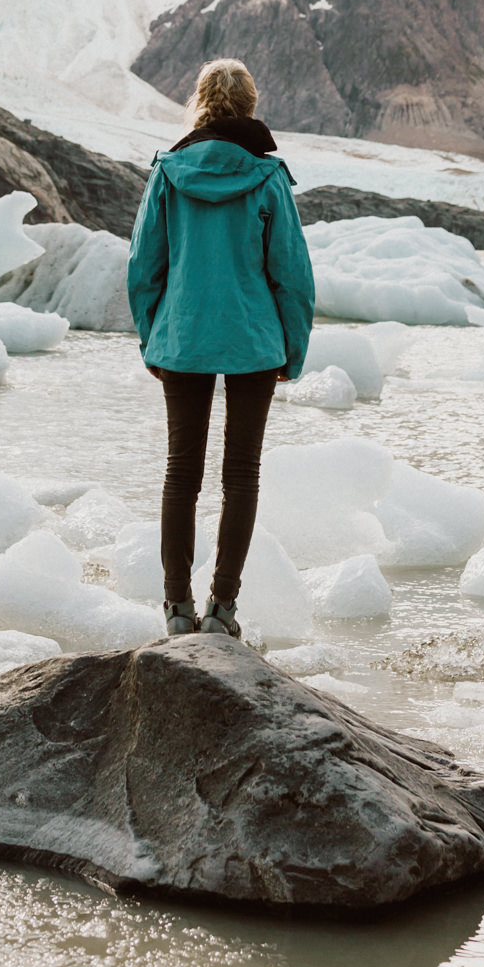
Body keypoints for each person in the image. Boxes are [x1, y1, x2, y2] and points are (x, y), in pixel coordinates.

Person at [127, 57, 314, 640]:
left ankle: (176, 609)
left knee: (180, 473)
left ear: (200, 103)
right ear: (251, 104)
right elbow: (291, 274)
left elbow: (142, 267)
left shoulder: (168, 171)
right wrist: (293, 351)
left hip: (181, 340)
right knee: (242, 474)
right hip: (254, 344)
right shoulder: (267, 177)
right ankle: (222, 609)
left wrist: (152, 338)